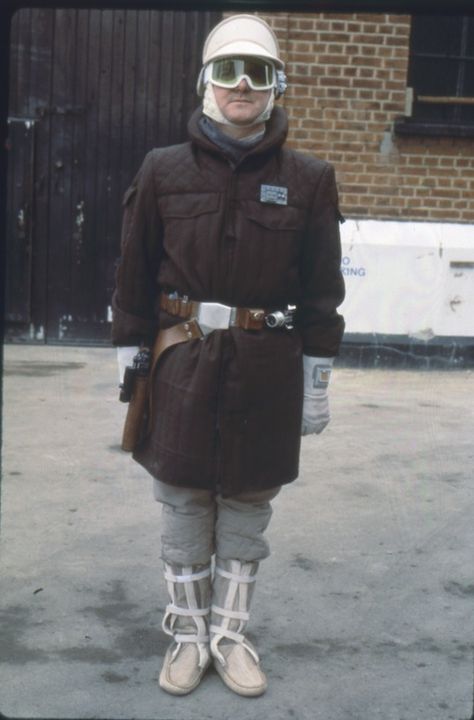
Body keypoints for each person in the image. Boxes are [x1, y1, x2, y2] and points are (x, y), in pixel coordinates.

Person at [111, 14, 345, 698]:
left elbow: (322, 291)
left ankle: (229, 634)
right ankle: (187, 635)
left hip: (267, 368)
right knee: (182, 498)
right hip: (181, 361)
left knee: (247, 501)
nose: (241, 85)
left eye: (259, 72)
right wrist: (128, 357)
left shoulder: (309, 178)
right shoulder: (162, 169)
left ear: (277, 87)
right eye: (227, 71)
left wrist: (318, 379)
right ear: (204, 83)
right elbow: (134, 272)